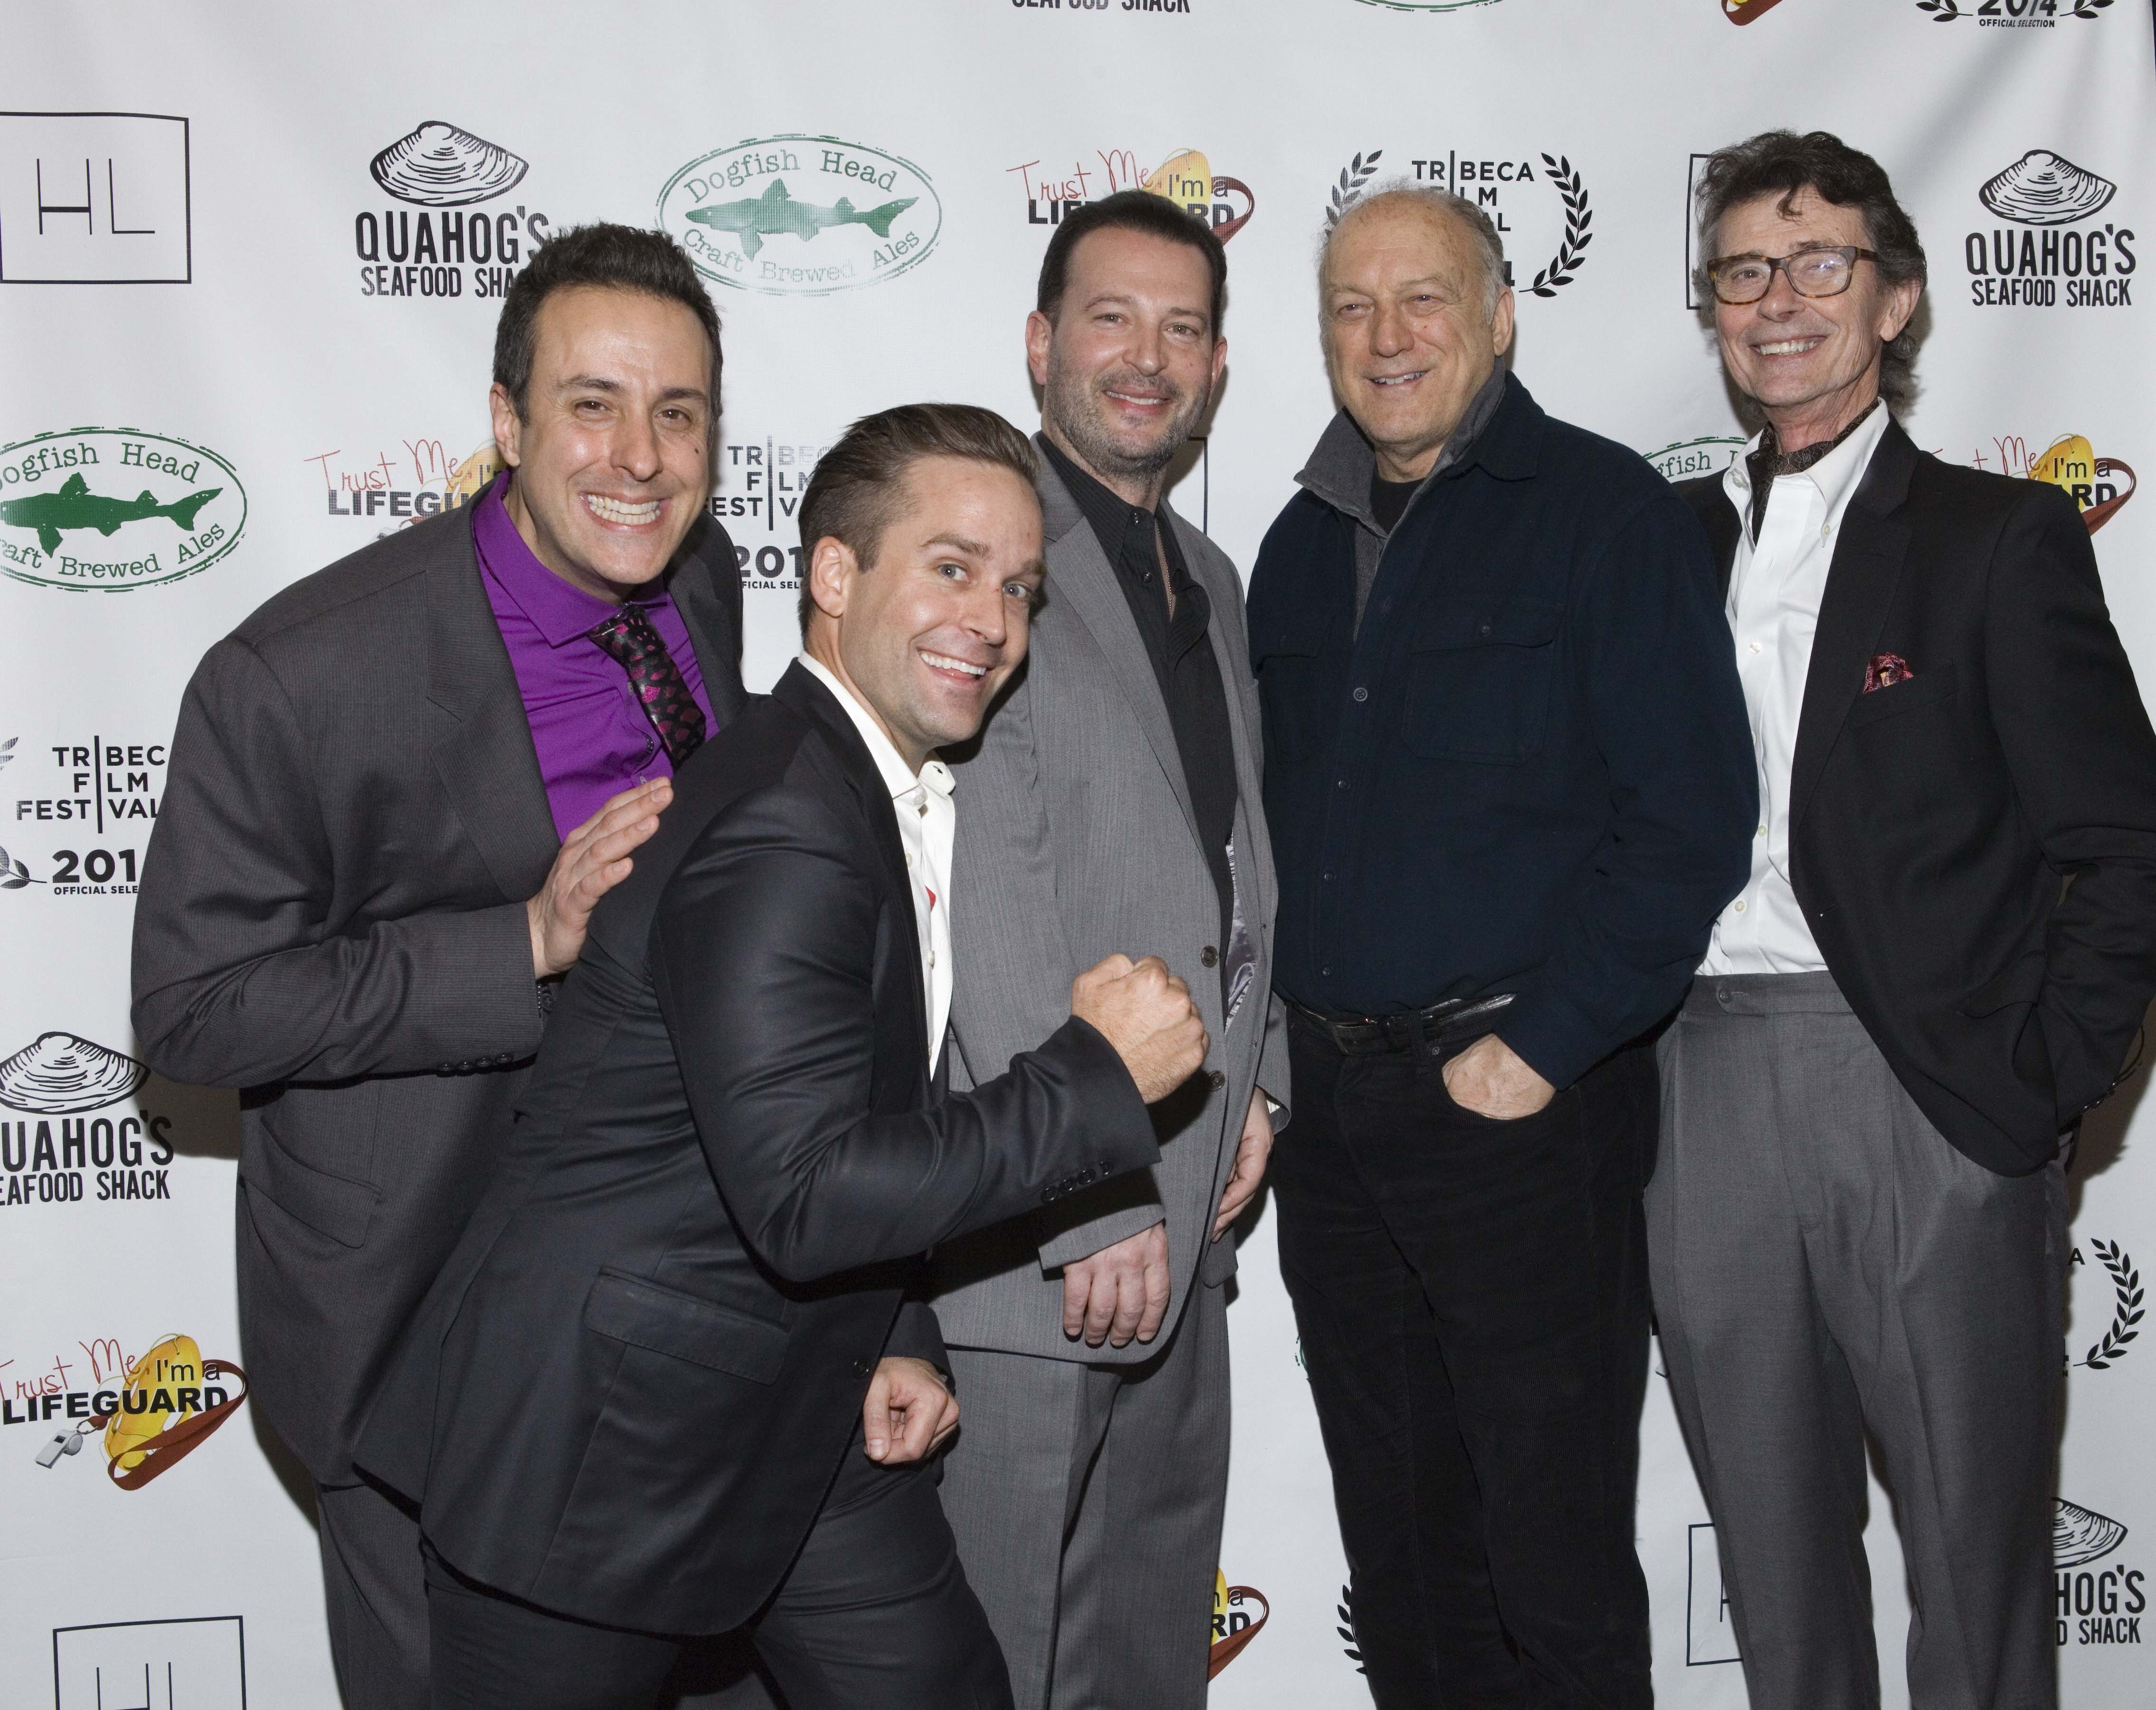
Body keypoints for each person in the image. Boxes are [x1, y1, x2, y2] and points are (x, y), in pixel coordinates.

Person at [354, 403, 1210, 1710]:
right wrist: (1095, 1074)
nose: (990, 616)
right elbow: (809, 1192)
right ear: (832, 576)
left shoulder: (854, 782)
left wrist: (903, 1326)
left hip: (794, 1404)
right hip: (599, 1445)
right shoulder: (788, 822)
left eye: (1018, 585)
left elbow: (845, 1098)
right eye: (949, 565)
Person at [131, 224, 744, 1710]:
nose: (641, 457)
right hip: (419, 1327)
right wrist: (520, 944)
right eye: (592, 404)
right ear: (504, 421)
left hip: (665, 1314)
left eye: (680, 414)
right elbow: (192, 1010)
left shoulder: (701, 585)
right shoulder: (302, 673)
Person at [1655, 130, 2156, 1710]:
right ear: (1712, 310)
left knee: (1970, 1567)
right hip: (1697, 1088)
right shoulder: (1660, 550)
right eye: (1744, 271)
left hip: (1929, 1091)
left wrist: (2038, 1088)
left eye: (1819, 266)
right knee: (1772, 1567)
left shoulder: (1995, 541)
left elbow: (2123, 839)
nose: (1778, 301)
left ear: (1897, 302)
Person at [1247, 183, 1756, 1708]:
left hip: (1521, 1117)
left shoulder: (1604, 515)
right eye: (1351, 304)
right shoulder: (1288, 544)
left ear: (1499, 318)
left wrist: (1534, 1049)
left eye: (1423, 300)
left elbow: (1689, 819)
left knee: (1553, 1561)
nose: (1386, 335)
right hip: (1335, 1130)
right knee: (1402, 1555)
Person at [927, 189, 1286, 1710]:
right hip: (1040, 1245)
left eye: (1182, 327)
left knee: (1144, 1651)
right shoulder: (977, 551)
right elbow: (978, 883)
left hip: (1189, 1204)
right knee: (997, 1656)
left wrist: (1258, 1089)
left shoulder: (1209, 576)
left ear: (1215, 367)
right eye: (1109, 317)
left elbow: (1235, 858)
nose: (1146, 356)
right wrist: (1082, 1192)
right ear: (1038, 343)